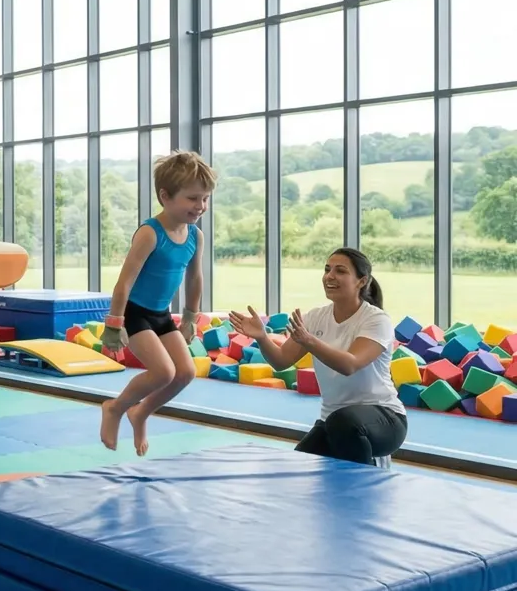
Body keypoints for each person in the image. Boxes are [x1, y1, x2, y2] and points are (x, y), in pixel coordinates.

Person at [227, 247, 407, 466]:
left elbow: (350, 364)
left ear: (361, 281)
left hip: (384, 419)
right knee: (301, 466)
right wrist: (262, 337)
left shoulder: (376, 320)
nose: (330, 276)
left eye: (340, 271)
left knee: (344, 423)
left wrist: (309, 340)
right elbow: (281, 361)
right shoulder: (315, 317)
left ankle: (370, 477)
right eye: (327, 269)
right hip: (333, 422)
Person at [99, 151, 217, 455]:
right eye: (193, 199)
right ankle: (115, 408)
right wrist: (114, 322)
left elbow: (195, 278)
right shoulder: (150, 233)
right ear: (165, 196)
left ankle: (140, 412)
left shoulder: (195, 236)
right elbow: (124, 281)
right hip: (134, 313)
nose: (200, 206)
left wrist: (190, 316)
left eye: (204, 199)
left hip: (161, 314)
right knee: (163, 372)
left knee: (186, 372)